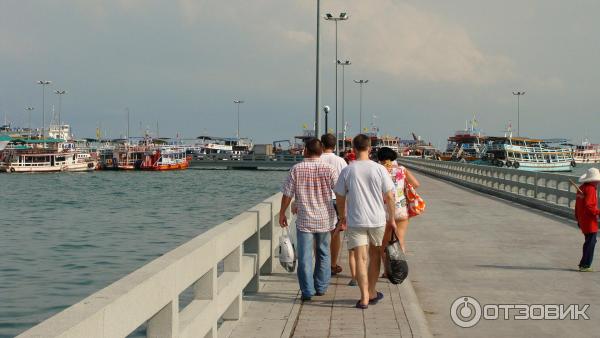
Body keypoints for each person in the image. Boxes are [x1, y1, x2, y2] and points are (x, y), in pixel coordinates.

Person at [334, 134, 396, 309]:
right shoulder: (379, 169)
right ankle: (372, 291)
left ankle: (364, 298)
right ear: (370, 148)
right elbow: (390, 196)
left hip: (355, 220)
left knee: (360, 258)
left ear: (353, 149)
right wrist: (391, 218)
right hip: (377, 219)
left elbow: (339, 196)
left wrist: (341, 216)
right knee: (375, 255)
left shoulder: (348, 170)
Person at [279, 138, 338, 301]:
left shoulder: (296, 169)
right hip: (325, 218)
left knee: (304, 256)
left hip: (305, 219)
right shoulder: (330, 169)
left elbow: (287, 194)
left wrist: (282, 213)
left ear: (305, 150)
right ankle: (321, 287)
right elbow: (340, 192)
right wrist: (343, 213)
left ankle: (307, 291)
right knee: (323, 253)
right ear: (321, 151)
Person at [376, 147, 420, 253]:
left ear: (379, 158)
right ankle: (400, 268)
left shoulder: (378, 170)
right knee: (400, 240)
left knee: (384, 242)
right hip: (401, 208)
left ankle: (387, 269)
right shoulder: (402, 169)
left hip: (383, 209)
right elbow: (416, 184)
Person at [320, 134, 348, 277]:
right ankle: (332, 264)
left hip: (320, 200)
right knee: (335, 234)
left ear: (322, 145)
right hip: (337, 200)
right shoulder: (341, 161)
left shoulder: (317, 159)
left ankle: (320, 265)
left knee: (318, 234)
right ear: (335, 146)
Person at [575, 167, 600, 272]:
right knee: (591, 242)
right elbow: (590, 206)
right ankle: (585, 265)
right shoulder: (591, 189)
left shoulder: (582, 188)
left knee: (589, 241)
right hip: (589, 221)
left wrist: (578, 219)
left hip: (582, 219)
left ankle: (583, 264)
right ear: (594, 180)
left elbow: (577, 206)